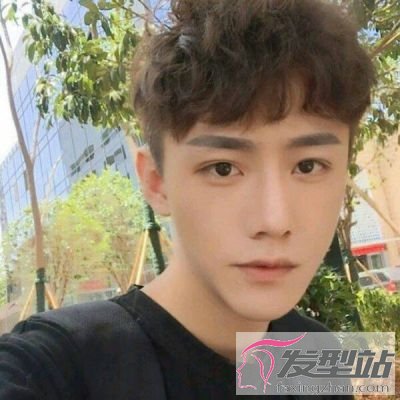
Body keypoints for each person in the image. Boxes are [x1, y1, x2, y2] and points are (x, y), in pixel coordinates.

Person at [0, 0, 375, 399]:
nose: (274, 220)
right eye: (223, 169)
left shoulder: (314, 352)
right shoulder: (62, 368)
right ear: (156, 182)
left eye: (308, 165)